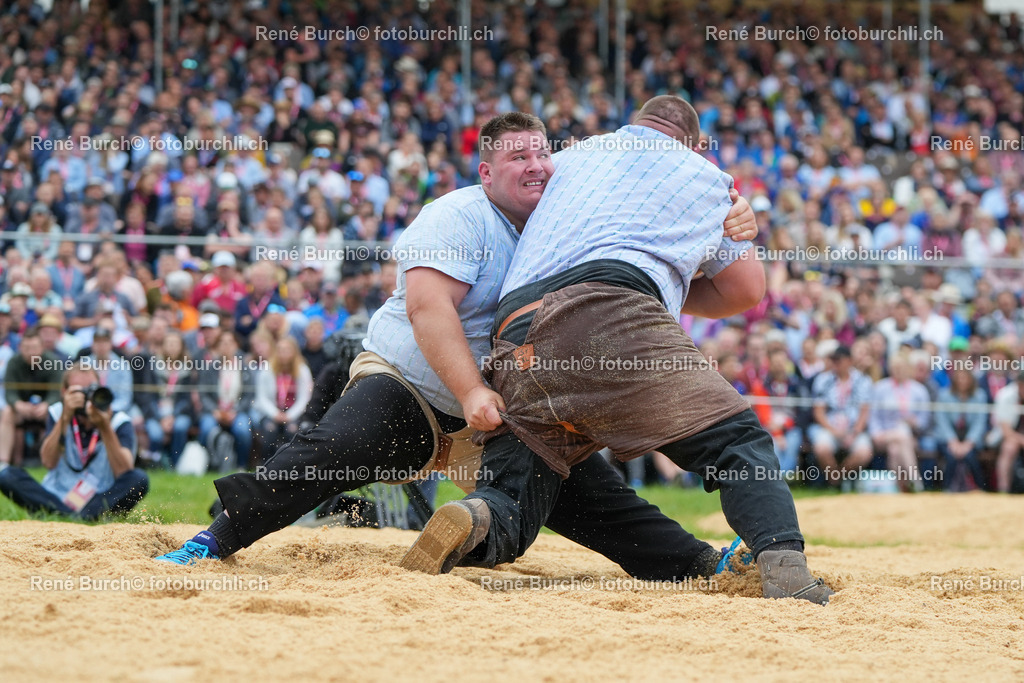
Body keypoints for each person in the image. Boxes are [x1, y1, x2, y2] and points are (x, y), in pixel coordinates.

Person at [155, 112, 758, 585]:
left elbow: (690, 279)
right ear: (486, 173)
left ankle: (696, 565)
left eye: (543, 153)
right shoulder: (458, 214)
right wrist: (470, 390)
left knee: (598, 501)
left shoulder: (575, 223)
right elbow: (428, 309)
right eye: (516, 156)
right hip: (413, 385)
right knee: (332, 450)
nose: (535, 165)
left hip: (503, 414)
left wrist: (734, 216)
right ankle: (215, 539)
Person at [401, 97, 833, 604]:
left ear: (631, 126)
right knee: (737, 443)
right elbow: (745, 290)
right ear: (693, 145)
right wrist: (691, 251)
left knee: (517, 493)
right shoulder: (708, 177)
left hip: (516, 332)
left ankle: (478, 516)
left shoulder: (571, 158)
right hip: (613, 309)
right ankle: (784, 566)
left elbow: (523, 187)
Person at [0, 363, 148, 519]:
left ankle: (69, 516)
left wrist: (104, 426)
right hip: (57, 495)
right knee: (6, 475)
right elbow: (48, 462)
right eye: (79, 391)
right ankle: (75, 516)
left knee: (139, 479)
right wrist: (65, 417)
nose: (85, 397)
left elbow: (124, 471)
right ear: (64, 392)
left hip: (99, 497)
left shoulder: (119, 420)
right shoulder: (57, 413)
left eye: (91, 389)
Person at [0, 328, 63, 465]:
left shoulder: (52, 361)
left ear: (42, 347)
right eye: (26, 348)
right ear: (20, 348)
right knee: (7, 413)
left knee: (58, 413)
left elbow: (57, 391)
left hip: (46, 410)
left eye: (34, 347)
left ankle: (54, 461)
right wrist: (18, 404)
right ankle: (3, 462)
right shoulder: (13, 363)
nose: (30, 352)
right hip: (21, 410)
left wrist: (46, 405)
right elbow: (9, 391)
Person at [993, 370, 1024, 493]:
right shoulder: (1005, 395)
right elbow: (1006, 431)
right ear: (1018, 384)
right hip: (1005, 437)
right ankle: (1003, 489)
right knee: (1009, 448)